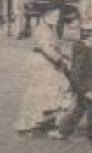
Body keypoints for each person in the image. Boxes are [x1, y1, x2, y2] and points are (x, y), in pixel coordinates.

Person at [15, 8, 73, 136]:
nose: (55, 18)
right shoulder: (41, 29)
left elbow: (55, 47)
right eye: (52, 15)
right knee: (38, 93)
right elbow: (46, 48)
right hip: (41, 63)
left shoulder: (51, 29)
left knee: (58, 89)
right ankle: (26, 125)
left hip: (49, 64)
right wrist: (60, 59)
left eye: (57, 16)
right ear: (45, 15)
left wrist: (63, 55)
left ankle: (47, 120)